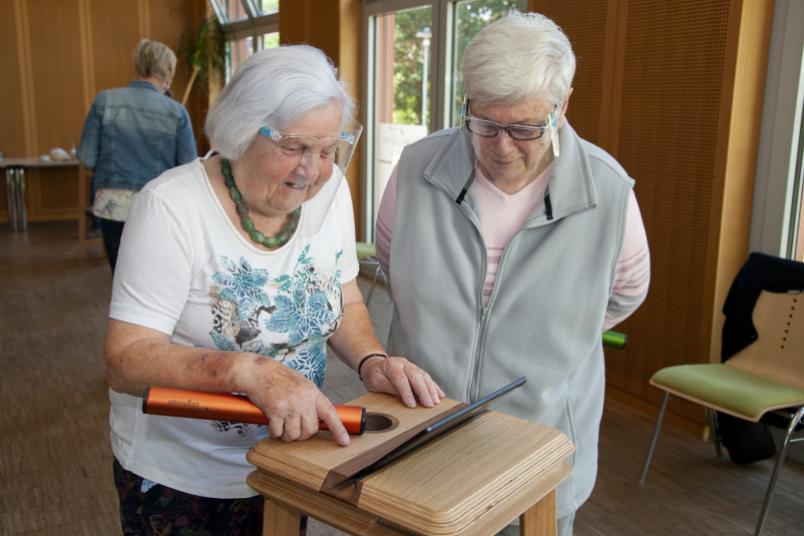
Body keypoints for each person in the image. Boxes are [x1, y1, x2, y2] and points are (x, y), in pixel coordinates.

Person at [104, 45, 443, 535]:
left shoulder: (330, 192)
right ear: (242, 132)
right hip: (185, 476)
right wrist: (247, 370)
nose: (312, 170)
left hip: (293, 459)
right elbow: (125, 360)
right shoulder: (171, 207)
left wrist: (373, 361)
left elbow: (344, 299)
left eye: (328, 151)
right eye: (294, 148)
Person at [376, 11, 650, 536]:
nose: (501, 146)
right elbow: (393, 261)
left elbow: (623, 293)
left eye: (524, 127)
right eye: (484, 123)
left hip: (537, 450)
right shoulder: (418, 168)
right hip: (420, 438)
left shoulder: (608, 192)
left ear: (562, 105)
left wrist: (549, 332)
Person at [78, 38, 197, 272]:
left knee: (120, 273)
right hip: (157, 204)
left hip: (112, 202)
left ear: (137, 65)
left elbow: (86, 156)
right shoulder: (176, 112)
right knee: (153, 274)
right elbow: (188, 166)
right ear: (167, 72)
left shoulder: (105, 101)